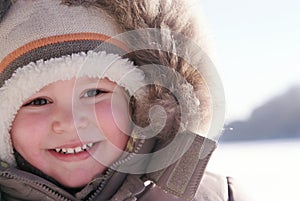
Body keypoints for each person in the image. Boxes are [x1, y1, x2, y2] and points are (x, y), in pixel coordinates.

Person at [0, 0, 246, 200]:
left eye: (94, 93)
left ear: (140, 105)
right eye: (39, 101)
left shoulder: (218, 196)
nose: (71, 122)